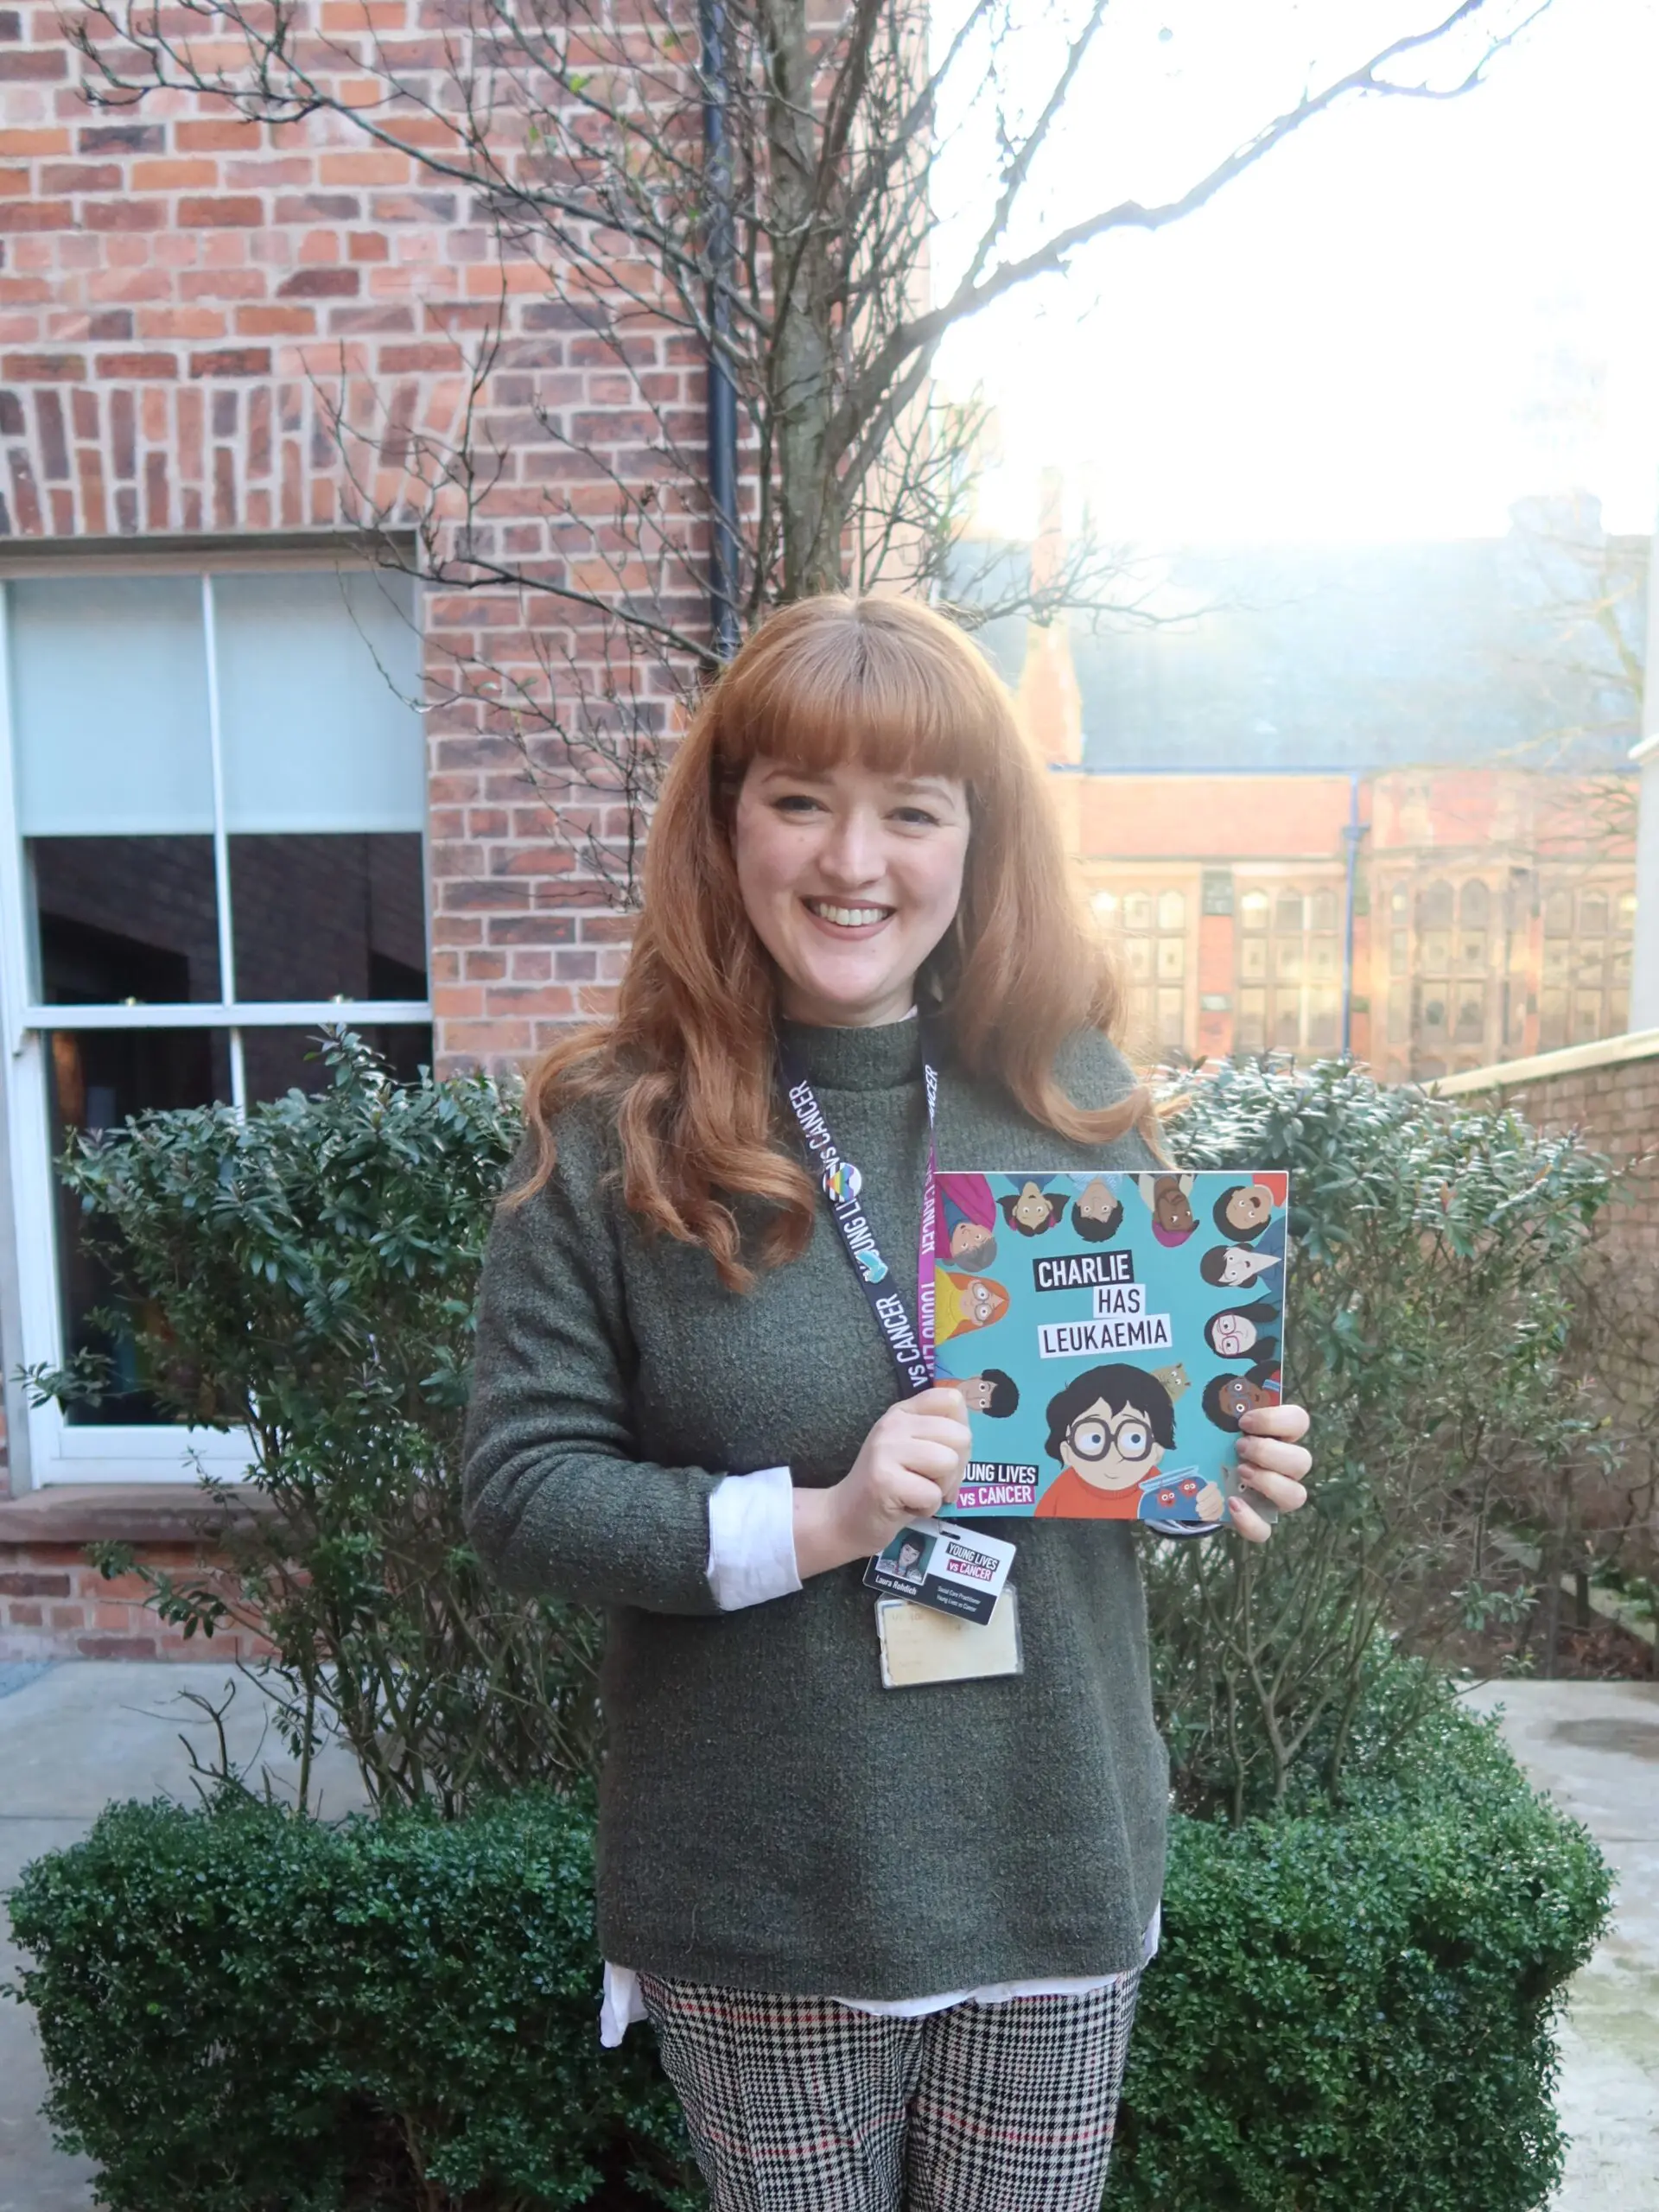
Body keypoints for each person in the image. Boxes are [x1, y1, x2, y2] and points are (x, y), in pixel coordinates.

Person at [462, 594, 1312, 2212]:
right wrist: (825, 1520)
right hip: (768, 1883)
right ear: (728, 827)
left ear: (976, 845)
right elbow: (521, 1493)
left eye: (911, 811)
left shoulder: (1076, 1115)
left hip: (1050, 1854)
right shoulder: (614, 1132)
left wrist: (1224, 1456)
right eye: (801, 800)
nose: (855, 860)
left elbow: (1118, 1444)